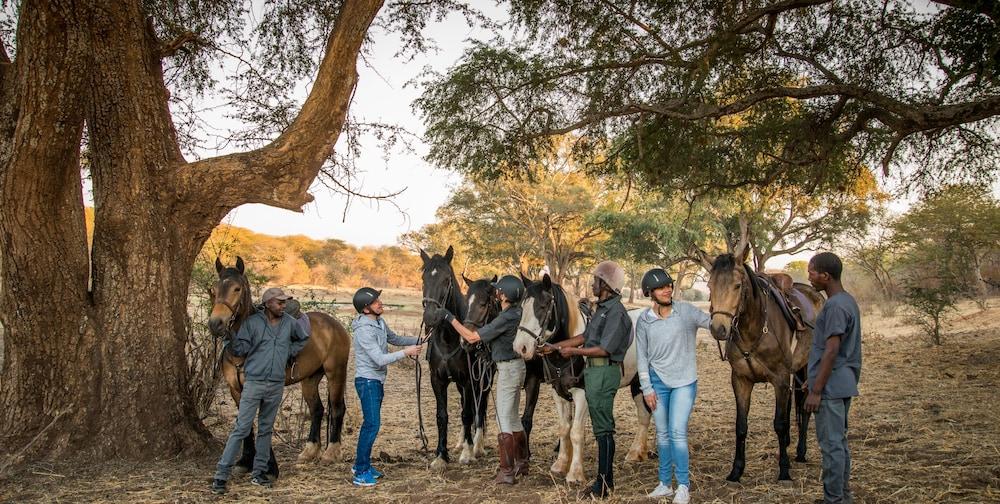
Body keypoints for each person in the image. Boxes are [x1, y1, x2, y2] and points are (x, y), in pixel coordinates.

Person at [544, 260, 632, 499]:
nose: (592, 284)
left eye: (596, 280)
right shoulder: (602, 308)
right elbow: (584, 336)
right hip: (594, 372)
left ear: (606, 284)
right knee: (599, 428)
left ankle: (604, 483)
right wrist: (554, 346)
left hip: (604, 372)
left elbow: (604, 349)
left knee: (604, 430)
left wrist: (573, 353)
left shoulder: (616, 313)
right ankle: (603, 481)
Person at [211, 287, 309, 494]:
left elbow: (303, 338)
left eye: (284, 302)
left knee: (265, 430)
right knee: (241, 428)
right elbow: (240, 350)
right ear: (268, 304)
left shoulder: (290, 323)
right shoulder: (252, 323)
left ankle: (259, 474)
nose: (283, 306)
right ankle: (221, 475)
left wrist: (288, 352)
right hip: (254, 383)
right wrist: (228, 337)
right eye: (279, 302)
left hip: (275, 385)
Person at [434, 275, 528, 484]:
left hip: (508, 370)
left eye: (499, 291)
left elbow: (472, 337)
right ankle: (522, 462)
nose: (497, 294)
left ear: (505, 295)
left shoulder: (506, 317)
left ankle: (506, 471)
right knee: (512, 417)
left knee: (503, 419)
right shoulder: (514, 313)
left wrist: (450, 318)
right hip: (513, 366)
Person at [635, 268, 709, 504]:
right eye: (661, 287)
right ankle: (665, 484)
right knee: (663, 435)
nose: (667, 289)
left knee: (677, 433)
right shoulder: (645, 321)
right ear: (650, 293)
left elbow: (714, 324)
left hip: (684, 383)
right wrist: (646, 389)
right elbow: (642, 357)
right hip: (657, 384)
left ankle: (683, 486)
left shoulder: (686, 312)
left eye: (669, 285)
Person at [350, 287, 425, 487]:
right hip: (368, 382)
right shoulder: (364, 330)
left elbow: (394, 339)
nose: (380, 303)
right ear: (366, 309)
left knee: (371, 425)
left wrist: (419, 340)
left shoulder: (379, 322)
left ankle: (362, 465)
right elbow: (379, 359)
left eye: (379, 300)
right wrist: (407, 352)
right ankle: (360, 470)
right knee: (371, 425)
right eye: (375, 302)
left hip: (376, 381)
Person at [806, 252, 862, 504]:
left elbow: (831, 350)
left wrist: (816, 390)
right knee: (839, 443)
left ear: (826, 276)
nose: (809, 278)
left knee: (831, 446)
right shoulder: (846, 301)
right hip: (841, 383)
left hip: (830, 388)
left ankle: (834, 500)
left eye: (812, 272)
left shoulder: (836, 306)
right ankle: (842, 496)